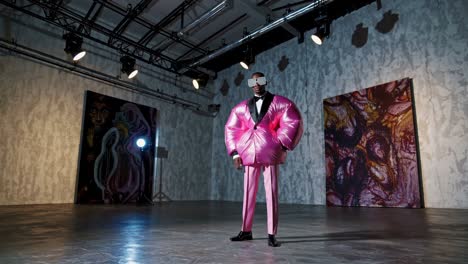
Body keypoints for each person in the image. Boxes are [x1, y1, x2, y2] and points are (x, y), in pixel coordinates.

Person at [224, 72, 303, 247]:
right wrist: (235, 153)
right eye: (253, 81)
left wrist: (281, 144)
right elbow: (231, 128)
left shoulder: (280, 103)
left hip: (270, 152)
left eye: (260, 80)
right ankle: (246, 231)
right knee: (247, 192)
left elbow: (293, 120)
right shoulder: (241, 107)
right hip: (248, 153)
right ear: (250, 84)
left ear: (265, 81)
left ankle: (271, 234)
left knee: (271, 193)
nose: (257, 84)